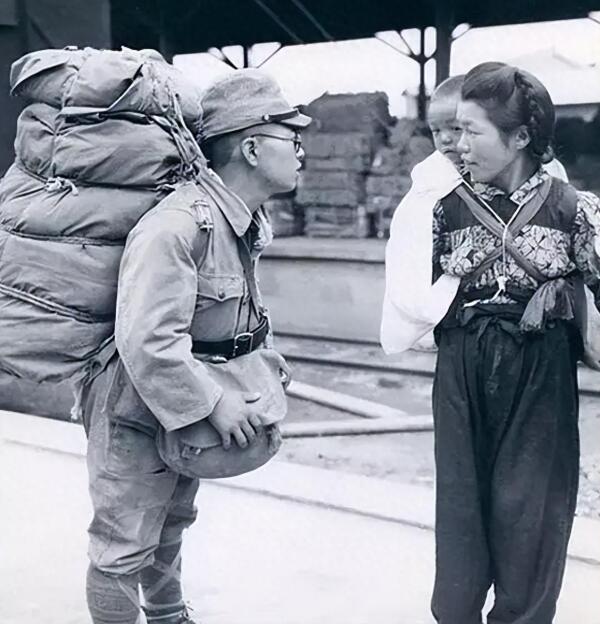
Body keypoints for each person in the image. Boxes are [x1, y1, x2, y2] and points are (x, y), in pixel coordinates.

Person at [82, 69, 310, 624]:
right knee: (123, 544)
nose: (301, 151)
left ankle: (168, 616)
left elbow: (229, 307)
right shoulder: (177, 225)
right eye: (291, 137)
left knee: (170, 522)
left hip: (181, 396)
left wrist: (262, 358)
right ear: (251, 149)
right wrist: (214, 403)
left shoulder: (242, 219)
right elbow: (147, 340)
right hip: (135, 405)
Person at [429, 62, 600, 624]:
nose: (457, 145)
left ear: (521, 136)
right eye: (454, 130)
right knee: (461, 515)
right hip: (461, 370)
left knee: (529, 514)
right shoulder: (443, 207)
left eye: (470, 131)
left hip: (539, 372)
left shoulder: (574, 210)